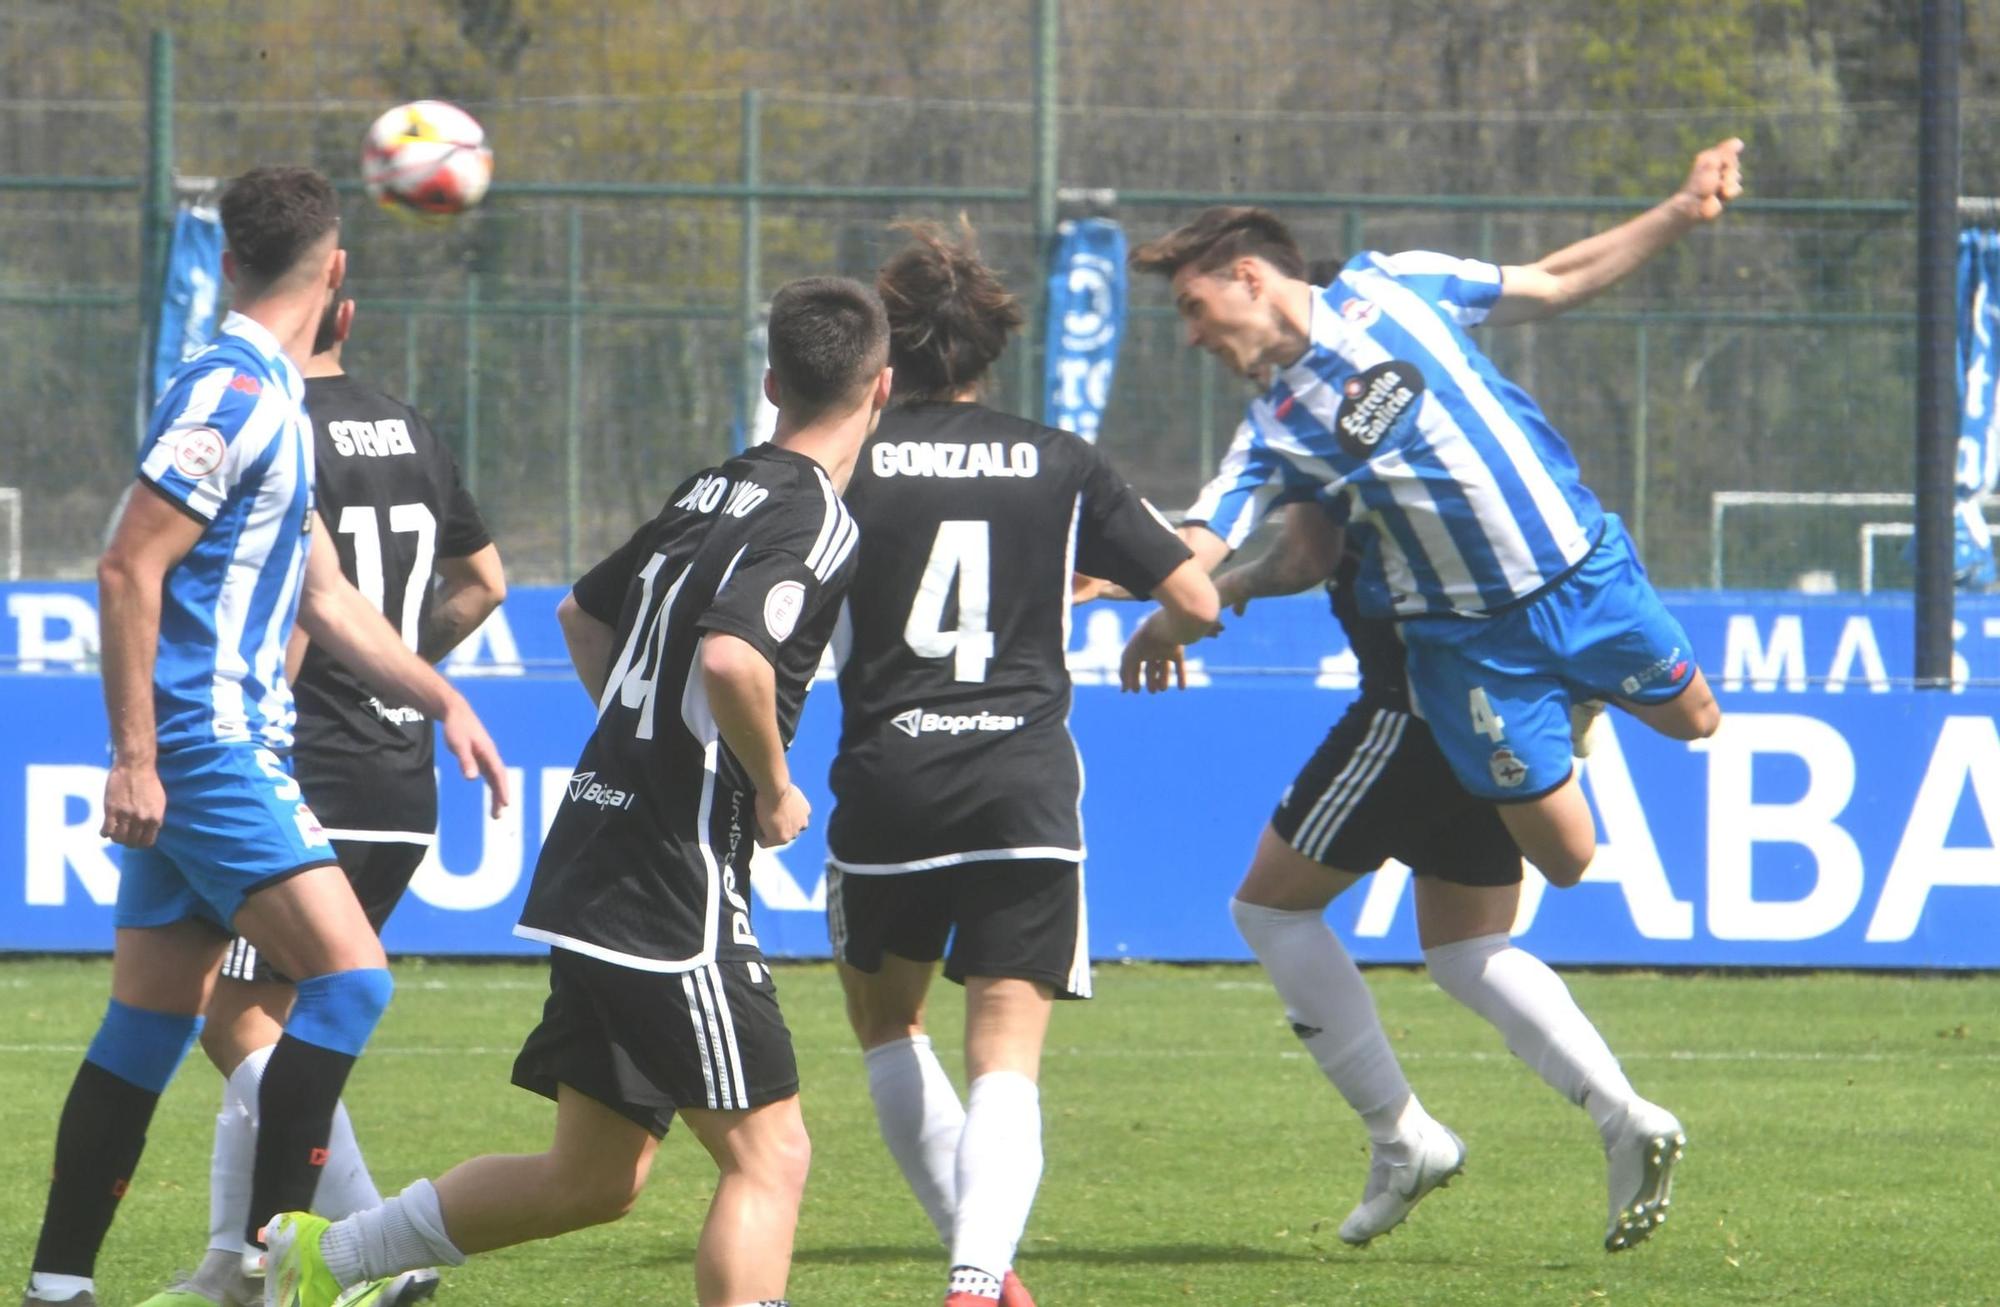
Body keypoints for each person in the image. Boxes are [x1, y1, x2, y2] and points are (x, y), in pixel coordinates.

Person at [261, 275, 895, 1307]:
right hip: (669, 878)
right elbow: (734, 660)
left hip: (596, 847)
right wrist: (769, 786)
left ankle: (316, 1260)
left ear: (772, 379)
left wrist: (648, 740)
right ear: (881, 388)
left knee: (593, 1175)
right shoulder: (817, 518)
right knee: (769, 1154)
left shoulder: (711, 486)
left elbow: (579, 617)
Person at [21, 166, 509, 1307]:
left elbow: (328, 598)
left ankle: (55, 1284)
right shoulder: (233, 394)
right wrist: (135, 753)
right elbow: (125, 562)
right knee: (351, 980)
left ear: (230, 261)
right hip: (207, 743)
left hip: (216, 744)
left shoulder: (271, 399)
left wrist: (442, 698)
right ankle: (262, 1266)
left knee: (149, 1020)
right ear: (337, 272)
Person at [1120, 139, 1742, 889]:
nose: (1191, 335)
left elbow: (1548, 282)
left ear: (1249, 278)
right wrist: (1124, 569)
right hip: (1475, 642)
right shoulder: (1271, 429)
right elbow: (1198, 542)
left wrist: (1681, 210)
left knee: (1696, 720)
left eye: (1193, 306)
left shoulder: (1396, 282)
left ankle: (1577, 691)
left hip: (1585, 574)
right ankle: (1559, 696)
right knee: (1568, 861)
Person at [823, 219, 1220, 1307]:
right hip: (1024, 790)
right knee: (1005, 1052)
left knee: (887, 1025)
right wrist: (1131, 614)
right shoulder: (1056, 460)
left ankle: (983, 1263)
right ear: (991, 351)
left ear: (884, 353)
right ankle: (974, 1273)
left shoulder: (845, 464)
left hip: (887, 779)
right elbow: (1195, 597)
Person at [1127, 493, 1684, 1251]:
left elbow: (1303, 557)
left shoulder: (1334, 417)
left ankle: (1401, 1140)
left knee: (1271, 910)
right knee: (1469, 950)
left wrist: (1213, 592)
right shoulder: (1461, 445)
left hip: (1411, 708)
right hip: (1492, 705)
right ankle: (1624, 1114)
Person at [154, 292, 507, 1307]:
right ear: (347, 300)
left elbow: (297, 600)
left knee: (240, 1021)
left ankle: (368, 1251)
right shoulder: (412, 426)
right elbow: (483, 580)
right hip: (401, 778)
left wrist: (308, 689)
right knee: (266, 1013)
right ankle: (232, 1264)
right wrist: (406, 674)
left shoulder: (269, 418)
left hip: (309, 764)